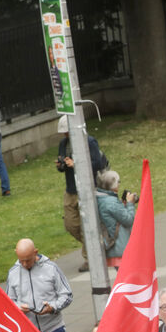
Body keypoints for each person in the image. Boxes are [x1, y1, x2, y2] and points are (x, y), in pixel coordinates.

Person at [6, 238, 74, 332]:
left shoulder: (51, 268)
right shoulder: (13, 273)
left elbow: (67, 295)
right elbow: (8, 302)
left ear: (35, 253)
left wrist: (53, 307)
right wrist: (17, 308)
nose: (24, 264)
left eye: (28, 260)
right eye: (21, 260)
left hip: (53, 328)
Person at [56, 115, 108, 271]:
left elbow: (97, 163)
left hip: (86, 187)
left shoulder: (89, 141)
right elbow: (62, 165)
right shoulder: (63, 144)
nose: (65, 135)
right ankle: (98, 245)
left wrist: (76, 164)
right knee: (71, 224)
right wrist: (61, 165)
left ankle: (90, 258)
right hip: (71, 189)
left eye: (67, 131)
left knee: (87, 225)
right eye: (64, 132)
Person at [95, 170, 137, 268]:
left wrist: (123, 205)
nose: (119, 184)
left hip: (114, 246)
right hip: (120, 247)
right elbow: (128, 220)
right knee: (128, 278)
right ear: (113, 184)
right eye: (118, 182)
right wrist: (130, 204)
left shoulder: (102, 198)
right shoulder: (111, 202)